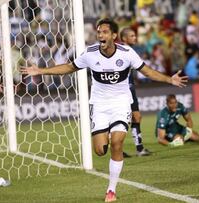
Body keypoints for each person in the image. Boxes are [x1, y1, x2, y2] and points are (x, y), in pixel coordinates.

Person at [20, 18, 188, 202]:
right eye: (99, 32)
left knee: (117, 143)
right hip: (99, 105)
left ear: (114, 36)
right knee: (100, 151)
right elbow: (69, 67)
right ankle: (107, 134)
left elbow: (147, 71)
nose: (100, 35)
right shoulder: (90, 53)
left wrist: (169, 80)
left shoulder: (126, 53)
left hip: (121, 103)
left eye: (104, 32)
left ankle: (111, 190)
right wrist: (41, 71)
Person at [119, 27, 151, 157]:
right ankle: (117, 150)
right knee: (121, 120)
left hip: (130, 88)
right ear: (124, 38)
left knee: (136, 117)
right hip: (121, 90)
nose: (135, 38)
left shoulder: (130, 51)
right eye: (132, 36)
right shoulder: (119, 51)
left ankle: (140, 149)